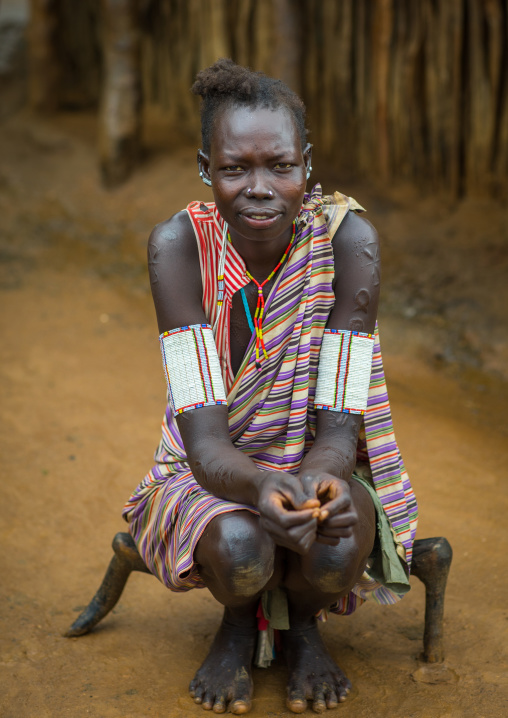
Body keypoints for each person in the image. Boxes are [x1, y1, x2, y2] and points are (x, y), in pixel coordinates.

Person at [122, 58, 418, 715]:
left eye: (280, 166)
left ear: (306, 165)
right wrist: (260, 486)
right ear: (206, 168)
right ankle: (235, 622)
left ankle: (305, 625)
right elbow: (202, 435)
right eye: (235, 169)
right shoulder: (179, 249)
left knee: (337, 543)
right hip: (208, 468)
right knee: (239, 547)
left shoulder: (348, 245)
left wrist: (322, 484)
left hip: (316, 456)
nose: (260, 189)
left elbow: (341, 423)